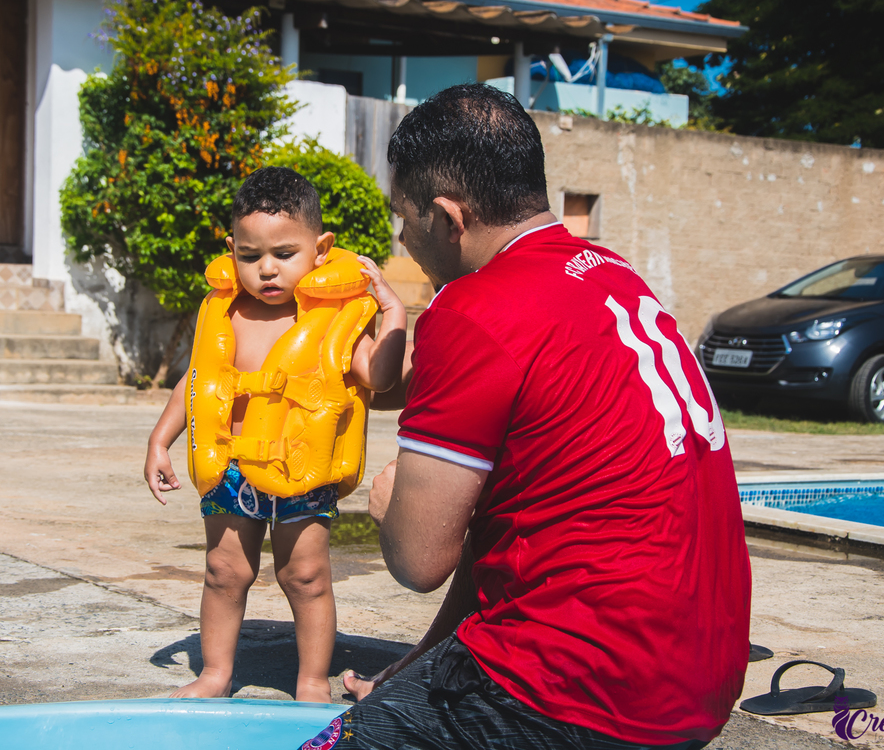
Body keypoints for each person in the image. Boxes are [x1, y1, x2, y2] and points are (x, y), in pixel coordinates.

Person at [301, 84, 751, 749]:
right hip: (696, 684)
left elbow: (419, 561)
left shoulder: (475, 309)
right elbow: (505, 524)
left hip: (578, 688)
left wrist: (390, 504)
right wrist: (424, 663)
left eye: (404, 217)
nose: (401, 236)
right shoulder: (611, 276)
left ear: (447, 218)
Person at [145, 166, 407, 703]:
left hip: (301, 468)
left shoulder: (334, 317)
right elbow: (198, 382)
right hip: (230, 469)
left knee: (304, 576)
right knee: (223, 571)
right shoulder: (224, 311)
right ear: (232, 250)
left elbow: (379, 377)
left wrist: (393, 312)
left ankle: (310, 681)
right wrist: (159, 441)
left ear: (320, 249)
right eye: (249, 256)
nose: (266, 269)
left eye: (284, 254)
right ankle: (216, 673)